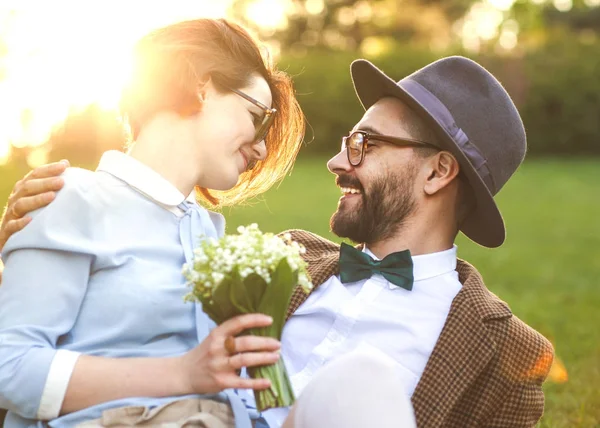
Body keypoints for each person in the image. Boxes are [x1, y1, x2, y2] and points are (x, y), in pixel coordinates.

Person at [1, 56, 554, 427]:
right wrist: (27, 245)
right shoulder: (278, 258)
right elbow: (123, 306)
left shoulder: (507, 353)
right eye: (345, 143)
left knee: (364, 381)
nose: (338, 161)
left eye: (364, 144)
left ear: (437, 174)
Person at [0, 17, 306, 428]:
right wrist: (183, 373)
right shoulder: (72, 196)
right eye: (259, 116)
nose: (263, 145)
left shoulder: (208, 231)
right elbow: (10, 366)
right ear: (203, 87)